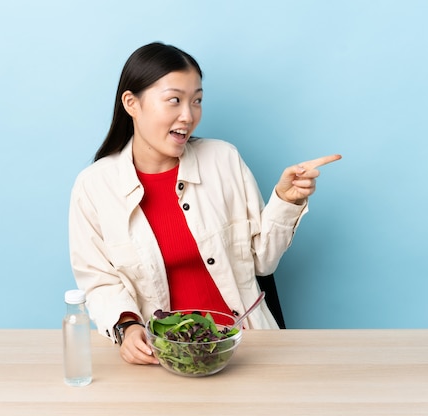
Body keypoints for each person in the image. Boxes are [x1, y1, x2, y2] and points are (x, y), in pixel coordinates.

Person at [69, 42, 340, 365]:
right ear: (132, 103)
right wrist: (127, 326)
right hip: (161, 355)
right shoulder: (94, 185)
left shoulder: (223, 159)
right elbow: (99, 279)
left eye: (197, 100)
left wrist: (286, 201)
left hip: (245, 346)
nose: (188, 115)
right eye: (174, 100)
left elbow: (263, 262)